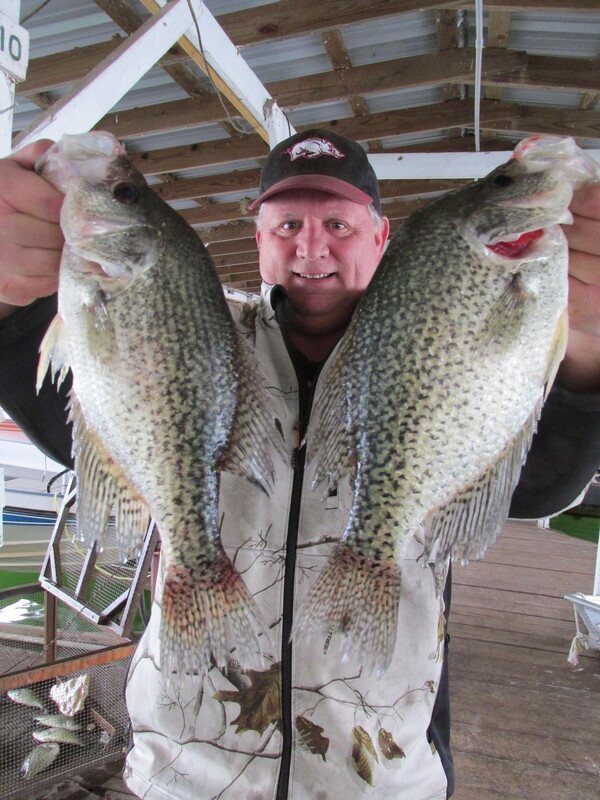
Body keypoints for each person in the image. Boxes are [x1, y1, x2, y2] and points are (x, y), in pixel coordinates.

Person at [0, 128, 599, 800]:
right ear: (259, 239)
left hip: (385, 781)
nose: (311, 247)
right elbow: (61, 414)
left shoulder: (445, 337)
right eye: (287, 223)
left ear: (382, 237)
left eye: (337, 222)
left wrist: (588, 345)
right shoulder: (199, 327)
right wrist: (11, 298)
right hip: (177, 777)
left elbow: (543, 479)